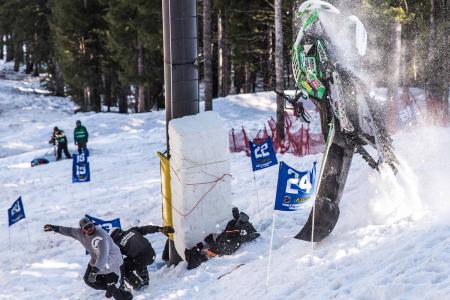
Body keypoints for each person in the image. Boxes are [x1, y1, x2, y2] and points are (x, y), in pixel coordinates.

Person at [44, 218, 133, 300]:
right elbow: (69, 231)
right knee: (88, 280)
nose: (90, 228)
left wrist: (95, 270)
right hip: (96, 260)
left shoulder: (101, 234)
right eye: (86, 227)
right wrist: (55, 228)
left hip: (112, 260)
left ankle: (125, 295)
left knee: (115, 291)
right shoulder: (79, 233)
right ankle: (110, 287)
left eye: (91, 225)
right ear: (82, 229)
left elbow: (103, 254)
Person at [110, 225, 174, 290]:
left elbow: (119, 262)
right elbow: (146, 229)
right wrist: (159, 228)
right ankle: (145, 278)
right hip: (151, 254)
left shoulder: (117, 245)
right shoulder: (132, 230)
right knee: (136, 256)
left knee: (125, 266)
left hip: (141, 259)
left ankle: (137, 284)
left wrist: (121, 283)